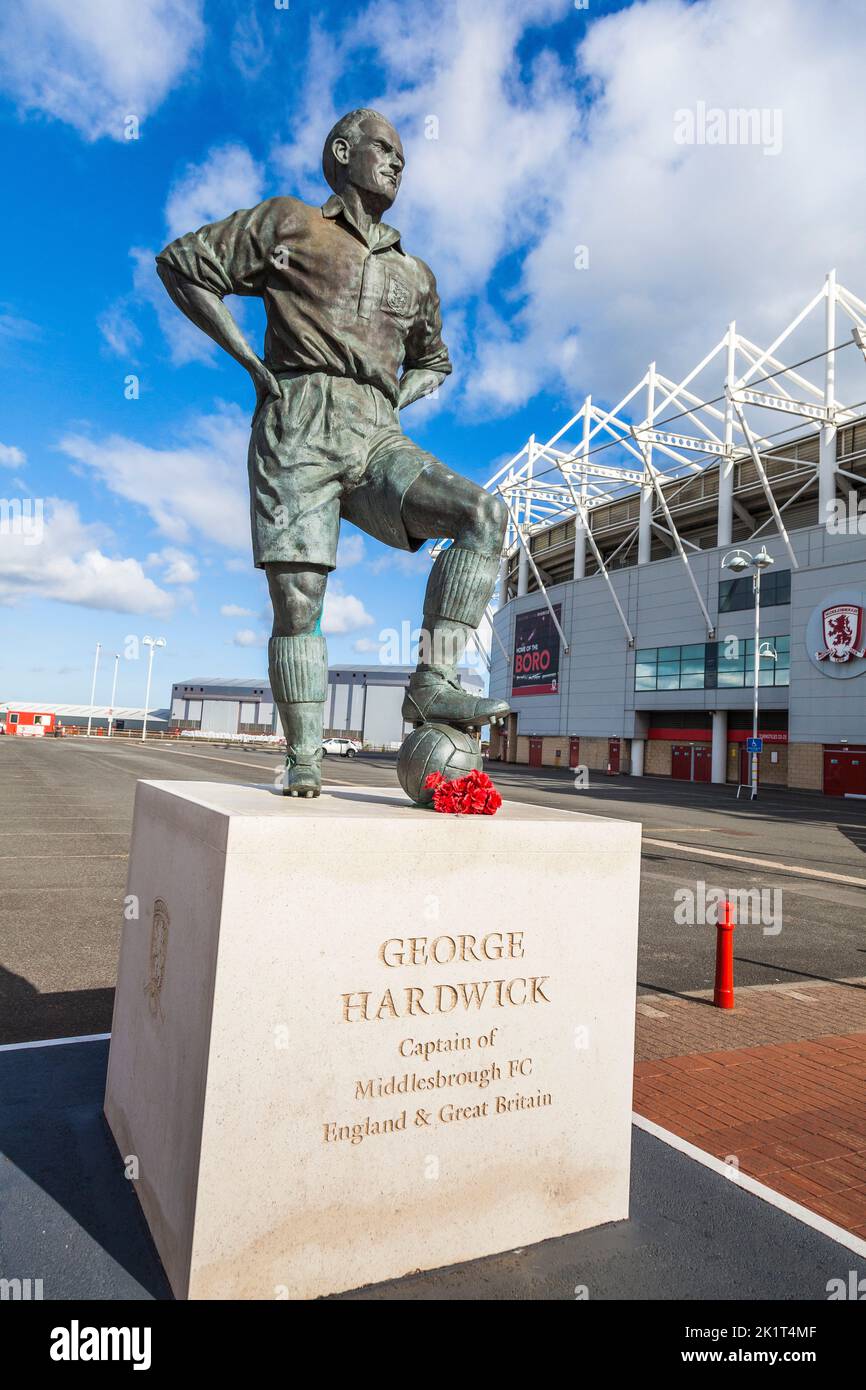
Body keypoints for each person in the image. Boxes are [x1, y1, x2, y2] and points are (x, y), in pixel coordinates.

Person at [157, 108, 509, 796]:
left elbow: (436, 361)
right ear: (342, 152)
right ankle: (305, 756)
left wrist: (387, 402)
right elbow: (184, 265)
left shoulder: (416, 274)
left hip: (377, 434)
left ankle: (433, 682)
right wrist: (253, 367)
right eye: (384, 149)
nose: (397, 162)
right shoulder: (291, 222)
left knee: (482, 514)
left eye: (403, 155)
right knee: (298, 600)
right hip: (298, 425)